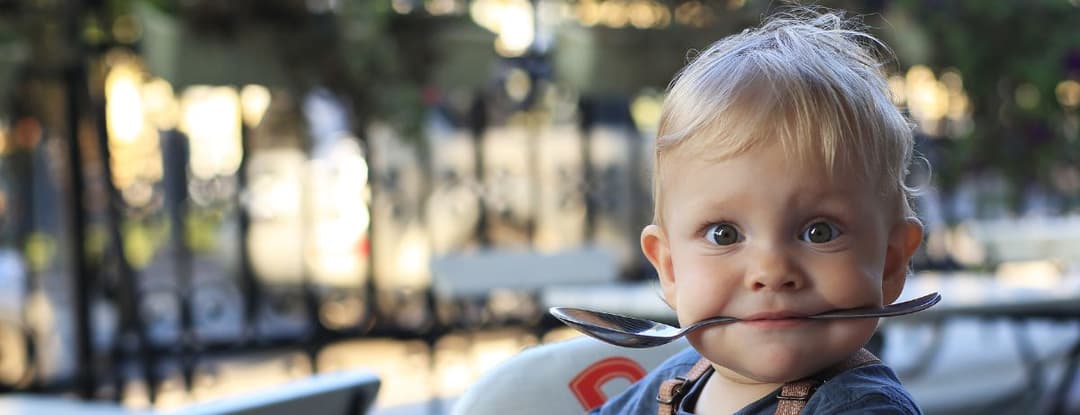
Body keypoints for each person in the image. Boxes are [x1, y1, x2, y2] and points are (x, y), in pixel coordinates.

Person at [592, 6, 926, 415]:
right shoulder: (679, 377)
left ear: (890, 263)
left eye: (819, 232)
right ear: (670, 268)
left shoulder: (860, 408)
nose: (771, 271)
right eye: (724, 234)